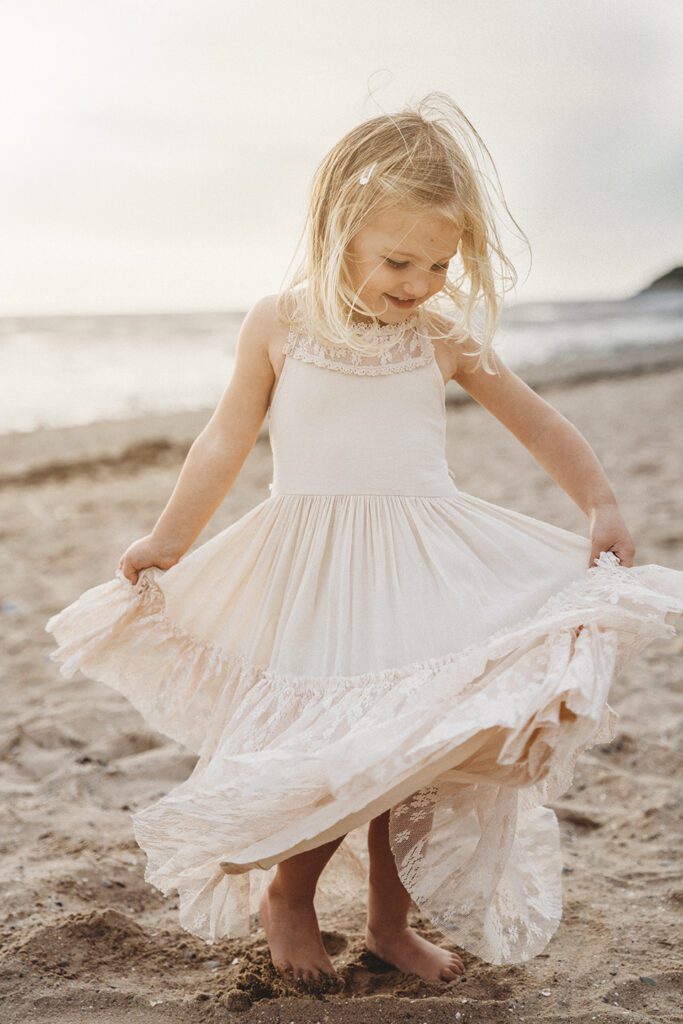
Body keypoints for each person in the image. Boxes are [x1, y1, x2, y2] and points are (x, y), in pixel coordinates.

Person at [44, 93, 683, 987]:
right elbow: (224, 440)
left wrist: (600, 501)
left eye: (437, 263)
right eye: (398, 260)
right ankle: (291, 895)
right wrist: (170, 538)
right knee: (332, 749)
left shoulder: (439, 334)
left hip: (419, 564)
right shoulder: (279, 322)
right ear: (339, 227)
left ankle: (389, 922)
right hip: (314, 569)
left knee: (409, 750)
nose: (418, 282)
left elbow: (534, 422)